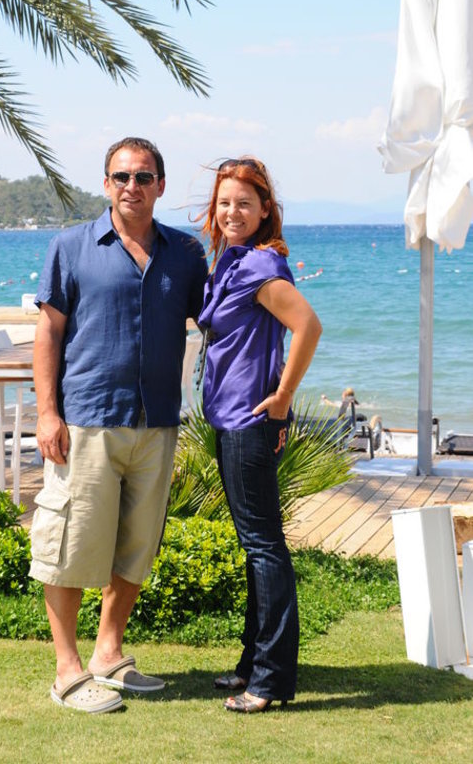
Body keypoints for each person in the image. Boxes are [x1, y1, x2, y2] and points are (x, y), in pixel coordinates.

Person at [29, 136, 208, 714]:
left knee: (135, 548)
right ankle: (67, 670)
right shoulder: (71, 247)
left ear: (161, 185)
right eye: (122, 176)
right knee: (70, 546)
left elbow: (218, 320)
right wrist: (47, 413)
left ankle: (108, 653)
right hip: (87, 421)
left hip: (157, 423)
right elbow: (49, 332)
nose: (133, 186)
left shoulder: (186, 254)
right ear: (106, 184)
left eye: (144, 176)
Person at [197, 157, 322, 713]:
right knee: (256, 547)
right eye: (225, 202)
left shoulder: (259, 265)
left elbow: (308, 325)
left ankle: (269, 680)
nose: (233, 212)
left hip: (249, 421)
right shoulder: (233, 262)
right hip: (229, 420)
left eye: (244, 203)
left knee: (264, 548)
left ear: (265, 209)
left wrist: (283, 398)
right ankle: (253, 663)